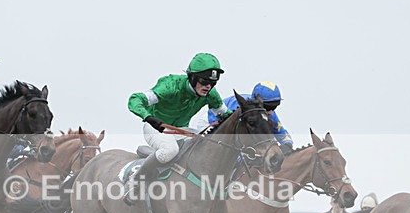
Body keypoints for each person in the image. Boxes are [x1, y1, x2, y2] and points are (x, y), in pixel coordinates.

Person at [125, 53, 232, 196]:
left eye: (213, 83)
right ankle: (135, 178)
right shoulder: (170, 85)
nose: (208, 86)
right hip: (156, 127)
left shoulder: (211, 94)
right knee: (170, 150)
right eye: (204, 81)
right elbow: (135, 99)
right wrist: (148, 117)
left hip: (182, 131)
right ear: (192, 77)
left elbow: (226, 114)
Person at [207, 81, 294, 156]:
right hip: (212, 119)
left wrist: (287, 145)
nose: (270, 112)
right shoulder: (239, 107)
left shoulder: (268, 115)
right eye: (267, 107)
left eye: (274, 107)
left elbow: (282, 134)